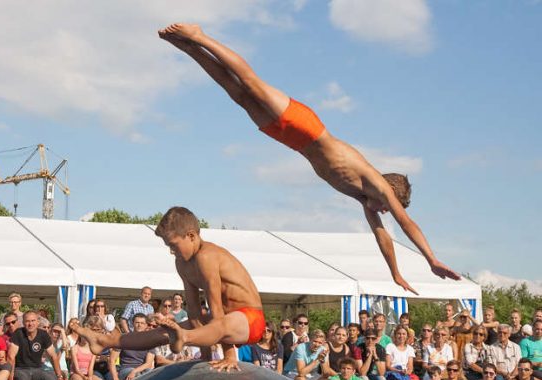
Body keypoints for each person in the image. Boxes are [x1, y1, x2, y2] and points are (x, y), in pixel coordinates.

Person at [157, 23, 460, 295]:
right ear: (390, 194)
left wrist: (395, 273)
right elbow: (406, 223)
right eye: (387, 206)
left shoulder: (362, 198)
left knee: (236, 93)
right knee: (250, 83)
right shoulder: (376, 185)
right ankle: (200, 36)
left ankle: (189, 48)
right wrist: (430, 258)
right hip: (306, 127)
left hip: (290, 139)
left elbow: (383, 236)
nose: (383, 211)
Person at [78, 207, 266, 372]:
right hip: (222, 322)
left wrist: (229, 355)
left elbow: (217, 313)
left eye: (174, 245)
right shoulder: (182, 263)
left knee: (195, 329)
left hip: (250, 320)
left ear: (191, 236)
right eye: (168, 246)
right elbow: (193, 311)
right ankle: (105, 341)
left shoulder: (207, 257)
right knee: (160, 334)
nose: (171, 251)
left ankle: (183, 337)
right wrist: (205, 355)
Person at [7, 310, 67, 380]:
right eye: (27, 321)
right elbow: (10, 357)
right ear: (23, 323)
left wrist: (59, 377)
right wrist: (10, 377)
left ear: (38, 322)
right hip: (20, 369)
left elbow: (53, 356)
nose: (30, 324)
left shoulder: (43, 335)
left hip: (37, 369)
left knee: (51, 379)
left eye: (33, 321)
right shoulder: (18, 334)